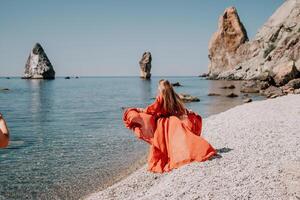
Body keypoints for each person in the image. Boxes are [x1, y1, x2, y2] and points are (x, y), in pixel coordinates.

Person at [123, 79, 216, 173]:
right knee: (183, 140)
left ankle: (171, 159)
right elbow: (181, 110)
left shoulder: (160, 98)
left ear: (161, 88)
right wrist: (188, 113)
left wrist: (138, 110)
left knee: (163, 144)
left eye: (158, 87)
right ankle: (199, 151)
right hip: (174, 121)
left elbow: (150, 110)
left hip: (163, 124)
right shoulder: (174, 97)